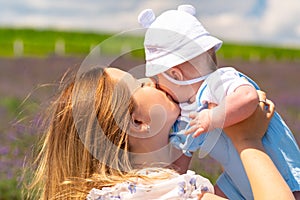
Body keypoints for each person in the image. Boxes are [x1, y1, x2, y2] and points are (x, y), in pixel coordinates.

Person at [23, 66, 294, 199]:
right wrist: (247, 141)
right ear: (138, 122)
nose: (152, 80)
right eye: (140, 84)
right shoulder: (172, 194)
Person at [138, 4, 300, 199]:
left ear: (175, 75)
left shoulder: (218, 81)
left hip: (278, 167)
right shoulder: (185, 113)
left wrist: (213, 117)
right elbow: (181, 157)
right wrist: (169, 182)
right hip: (236, 179)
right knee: (213, 192)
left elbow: (247, 97)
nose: (157, 86)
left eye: (158, 80)